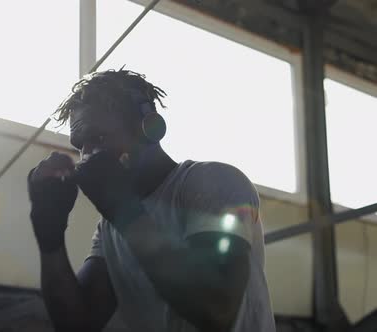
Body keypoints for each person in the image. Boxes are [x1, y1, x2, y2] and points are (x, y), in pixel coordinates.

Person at [26, 69, 275, 332]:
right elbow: (76, 324)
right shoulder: (111, 227)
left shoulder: (216, 182)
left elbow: (216, 310)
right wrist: (49, 233)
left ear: (149, 128)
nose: (87, 155)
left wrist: (123, 210)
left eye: (98, 138)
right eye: (81, 145)